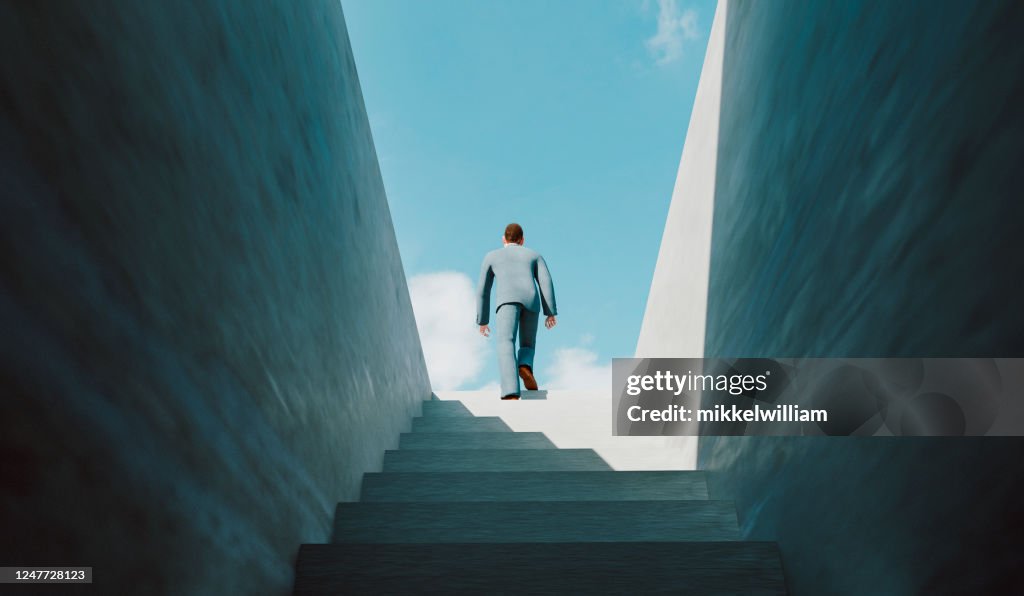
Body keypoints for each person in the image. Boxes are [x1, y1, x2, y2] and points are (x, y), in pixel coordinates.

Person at [476, 223, 558, 400]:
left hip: (506, 301)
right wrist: (550, 311)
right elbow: (546, 282)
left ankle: (511, 392)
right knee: (528, 343)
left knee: (506, 342)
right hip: (531, 300)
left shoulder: (491, 256)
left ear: (504, 239)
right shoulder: (534, 255)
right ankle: (525, 365)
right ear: (522, 240)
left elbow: (483, 289)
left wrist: (482, 320)